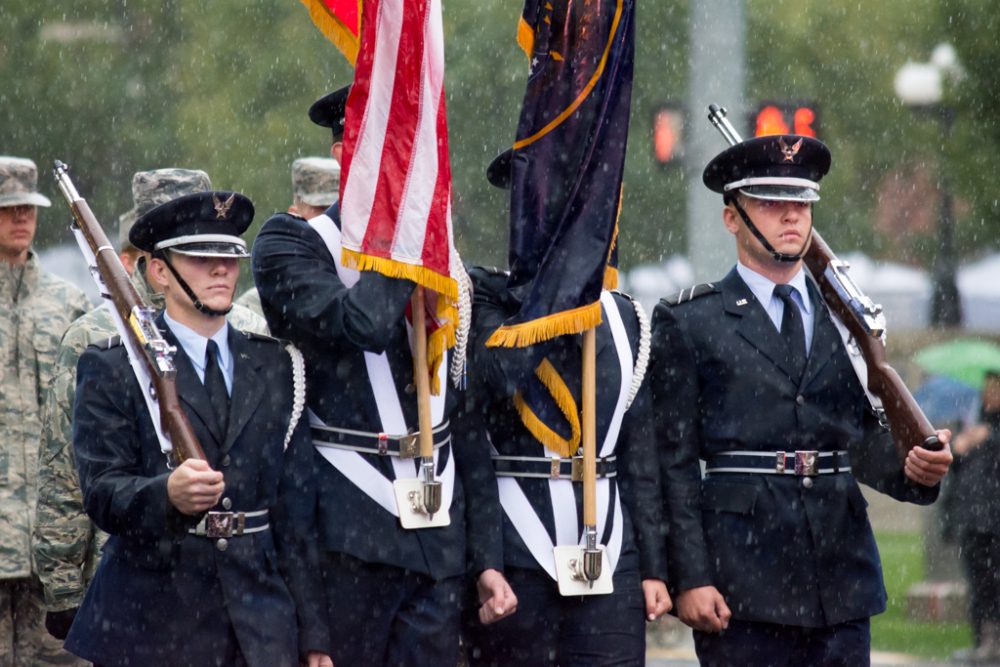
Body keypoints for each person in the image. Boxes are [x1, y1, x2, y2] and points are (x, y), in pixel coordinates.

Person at [649, 134, 954, 666]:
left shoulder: (847, 319)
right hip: (741, 582)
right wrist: (690, 577)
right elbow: (671, 464)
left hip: (839, 577)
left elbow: (856, 440)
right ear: (732, 219)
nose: (791, 216)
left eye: (802, 204)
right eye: (771, 204)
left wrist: (915, 466)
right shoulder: (690, 321)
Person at [250, 87, 510, 665]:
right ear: (345, 152)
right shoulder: (291, 243)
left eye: (411, 153)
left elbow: (462, 424)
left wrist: (486, 558)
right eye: (386, 149)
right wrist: (406, 237)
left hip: (437, 542)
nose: (403, 167)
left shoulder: (446, 265)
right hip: (346, 538)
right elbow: (359, 322)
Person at [64, 191, 331, 667]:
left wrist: (314, 636)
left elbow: (296, 512)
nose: (221, 270)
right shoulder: (114, 366)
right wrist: (165, 494)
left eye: (229, 257)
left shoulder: (276, 365)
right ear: (159, 272)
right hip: (154, 616)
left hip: (259, 619)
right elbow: (102, 492)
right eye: (200, 257)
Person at [32, 169, 268, 643]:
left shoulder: (248, 334)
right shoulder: (98, 342)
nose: (214, 265)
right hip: (133, 573)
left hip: (238, 591)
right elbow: (73, 474)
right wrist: (64, 587)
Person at [459, 155, 670, 666]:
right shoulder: (486, 297)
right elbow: (494, 378)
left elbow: (639, 457)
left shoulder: (625, 317)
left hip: (610, 558)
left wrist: (654, 568)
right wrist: (558, 290)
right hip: (516, 549)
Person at [0, 155, 91, 665]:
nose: (21, 218)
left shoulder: (69, 306)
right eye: (8, 207)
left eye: (27, 208)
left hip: (51, 537)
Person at [236, 156, 340, 316]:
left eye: (342, 212)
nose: (336, 221)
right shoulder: (255, 307)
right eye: (325, 211)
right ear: (295, 215)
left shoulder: (374, 288)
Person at [950, 369, 1000, 662]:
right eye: (987, 389)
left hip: (995, 519)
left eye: (994, 389)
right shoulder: (973, 421)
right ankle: (982, 640)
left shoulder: (991, 430)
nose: (989, 395)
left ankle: (995, 641)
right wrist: (959, 449)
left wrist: (991, 438)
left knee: (995, 582)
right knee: (978, 582)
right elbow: (959, 473)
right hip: (973, 518)